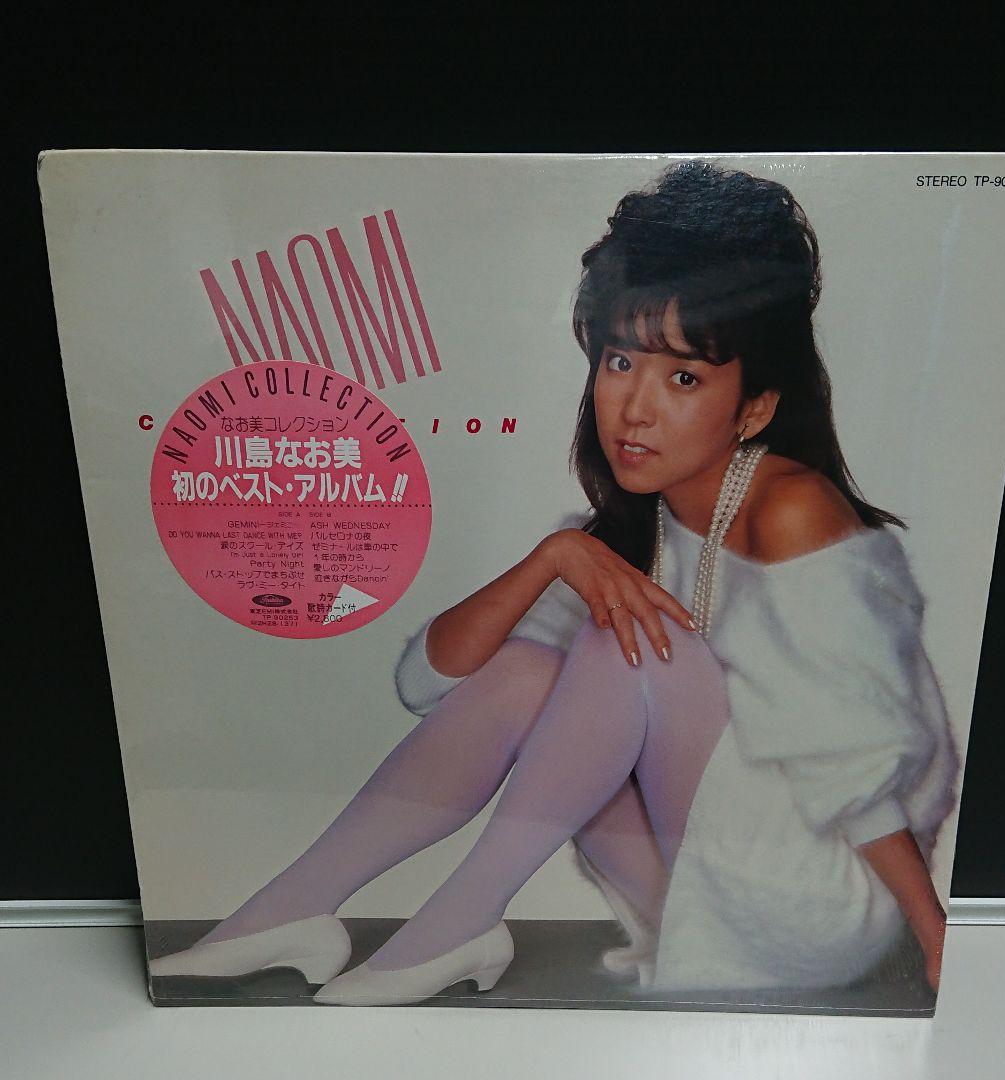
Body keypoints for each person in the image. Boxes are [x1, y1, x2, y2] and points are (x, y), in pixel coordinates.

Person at [149, 162, 958, 1006]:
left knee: (628, 642)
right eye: (620, 361)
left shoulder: (790, 510)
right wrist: (552, 557)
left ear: (754, 408)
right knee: (534, 668)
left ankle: (461, 917)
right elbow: (431, 685)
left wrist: (933, 938)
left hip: (813, 897)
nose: (634, 408)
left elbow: (851, 756)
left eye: (683, 377)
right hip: (693, 892)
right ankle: (294, 908)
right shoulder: (630, 535)